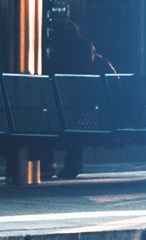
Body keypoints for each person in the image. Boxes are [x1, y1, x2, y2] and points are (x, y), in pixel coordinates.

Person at [44, 19, 113, 179]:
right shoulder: (91, 54)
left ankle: (48, 162)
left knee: (49, 119)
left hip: (68, 105)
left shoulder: (60, 57)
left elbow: (48, 74)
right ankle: (72, 162)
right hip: (91, 106)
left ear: (60, 38)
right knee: (70, 122)